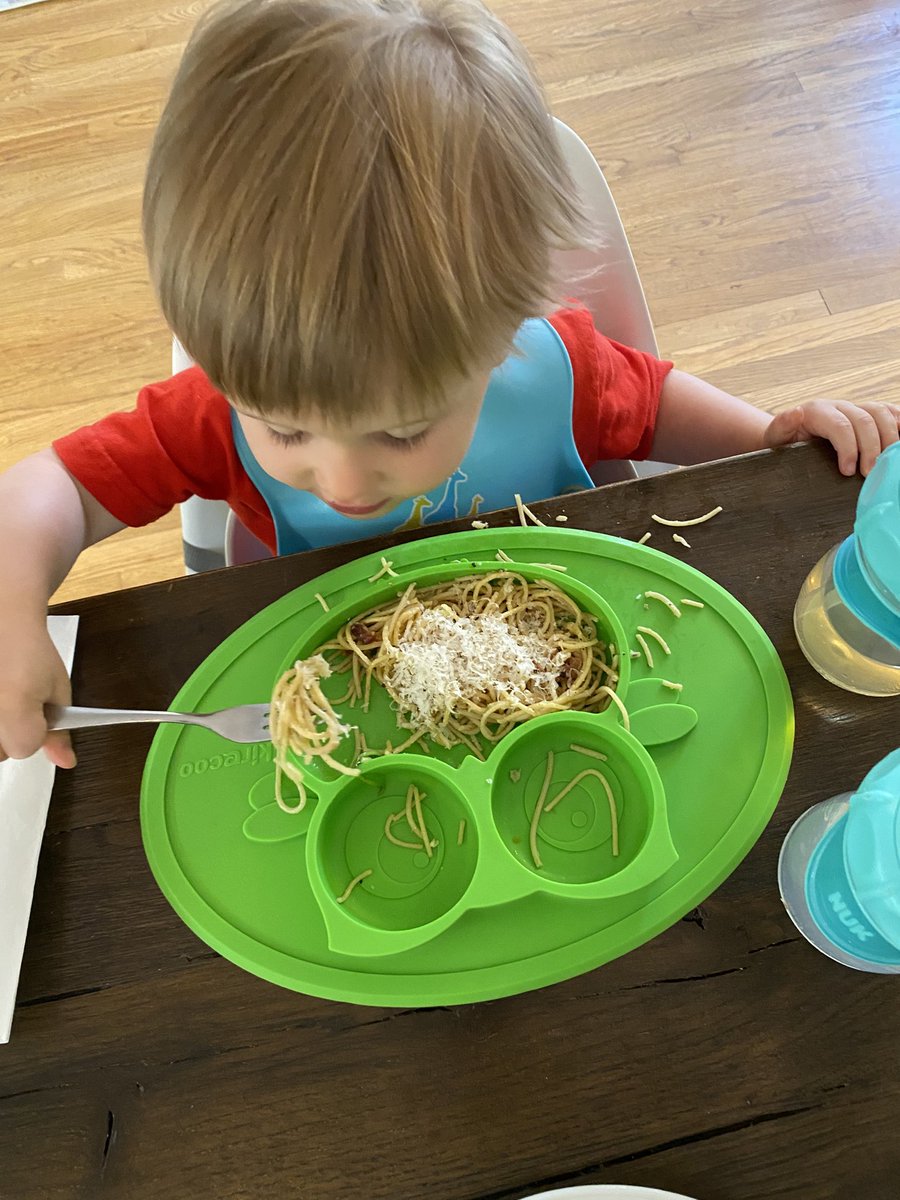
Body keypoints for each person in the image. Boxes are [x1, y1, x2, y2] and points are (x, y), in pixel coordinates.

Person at [0, 0, 897, 771]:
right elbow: (51, 491)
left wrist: (768, 440)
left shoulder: (554, 370)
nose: (344, 484)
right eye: (282, 431)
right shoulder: (206, 415)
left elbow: (657, 408)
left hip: (586, 660)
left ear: (499, 340)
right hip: (346, 686)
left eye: (401, 433)